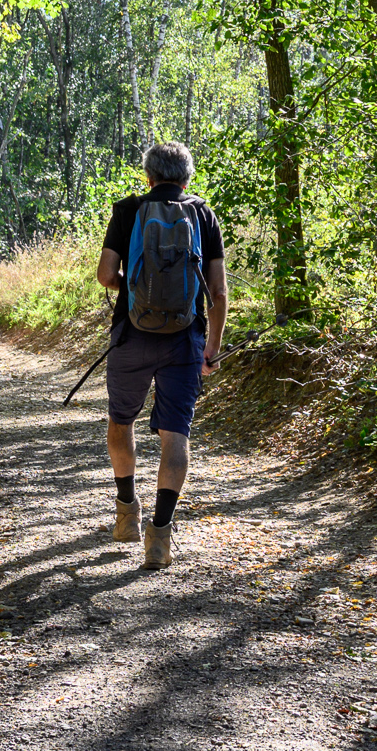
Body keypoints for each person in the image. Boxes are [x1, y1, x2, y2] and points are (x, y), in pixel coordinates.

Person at [97, 141, 226, 569]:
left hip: (131, 335)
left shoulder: (127, 210)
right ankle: (160, 537)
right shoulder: (203, 214)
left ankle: (126, 514)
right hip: (184, 340)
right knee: (176, 434)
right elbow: (218, 292)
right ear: (187, 178)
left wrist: (133, 290)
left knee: (121, 421)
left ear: (148, 176)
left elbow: (105, 275)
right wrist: (212, 347)